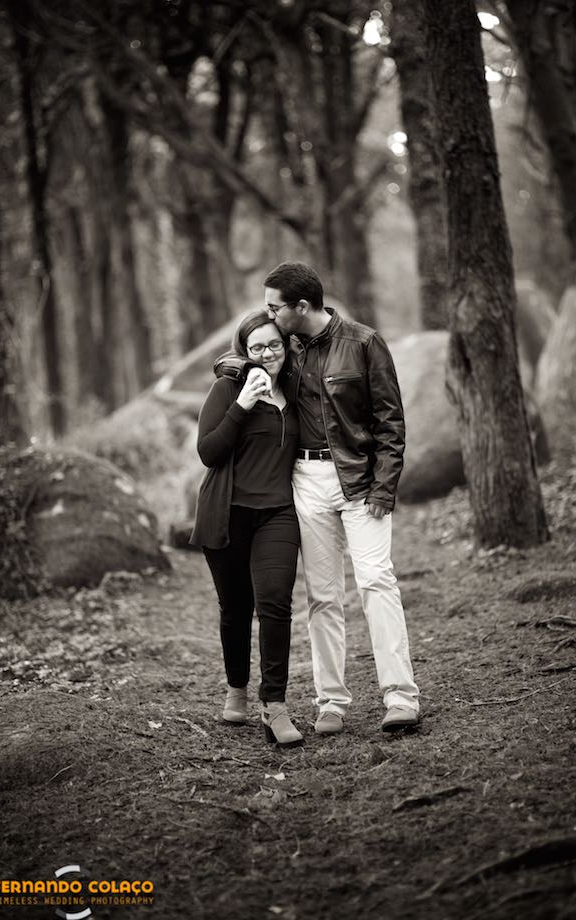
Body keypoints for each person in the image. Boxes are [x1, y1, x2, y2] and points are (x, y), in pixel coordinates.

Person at [263, 261, 420, 735]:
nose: (268, 314)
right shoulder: (283, 347)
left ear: (302, 307)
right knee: (322, 597)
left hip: (360, 481)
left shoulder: (364, 343)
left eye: (274, 306)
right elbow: (240, 359)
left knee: (375, 582)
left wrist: (383, 486)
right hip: (306, 482)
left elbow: (391, 423)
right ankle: (331, 702)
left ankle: (401, 698)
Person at [189, 311, 303, 748]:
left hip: (278, 513)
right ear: (245, 352)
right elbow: (208, 451)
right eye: (256, 348)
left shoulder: (296, 390)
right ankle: (236, 688)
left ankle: (274, 704)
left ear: (285, 345)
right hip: (228, 513)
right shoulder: (228, 389)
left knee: (275, 604)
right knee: (235, 608)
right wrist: (242, 406)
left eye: (274, 344)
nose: (267, 354)